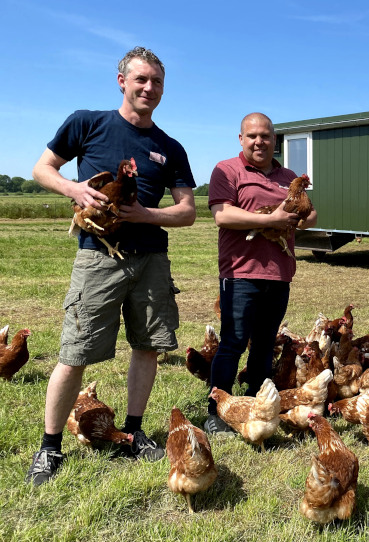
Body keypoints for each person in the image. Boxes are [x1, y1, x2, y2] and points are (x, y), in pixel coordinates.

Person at [26, 47, 196, 485]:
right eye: (141, 79)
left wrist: (147, 215)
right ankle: (50, 448)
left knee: (147, 345)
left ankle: (135, 430)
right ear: (121, 81)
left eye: (156, 82)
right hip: (99, 257)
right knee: (76, 351)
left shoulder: (169, 147)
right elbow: (42, 168)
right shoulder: (88, 122)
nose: (149, 88)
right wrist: (74, 189)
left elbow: (188, 211)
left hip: (151, 260)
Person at [204, 113, 318, 435]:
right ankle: (217, 409)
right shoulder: (227, 170)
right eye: (252, 135)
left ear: (274, 140)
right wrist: (271, 221)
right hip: (241, 272)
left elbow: (310, 213)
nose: (259, 141)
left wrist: (301, 219)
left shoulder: (288, 175)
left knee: (266, 343)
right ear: (240, 139)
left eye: (265, 136)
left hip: (279, 273)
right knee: (233, 341)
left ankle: (256, 401)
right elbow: (222, 216)